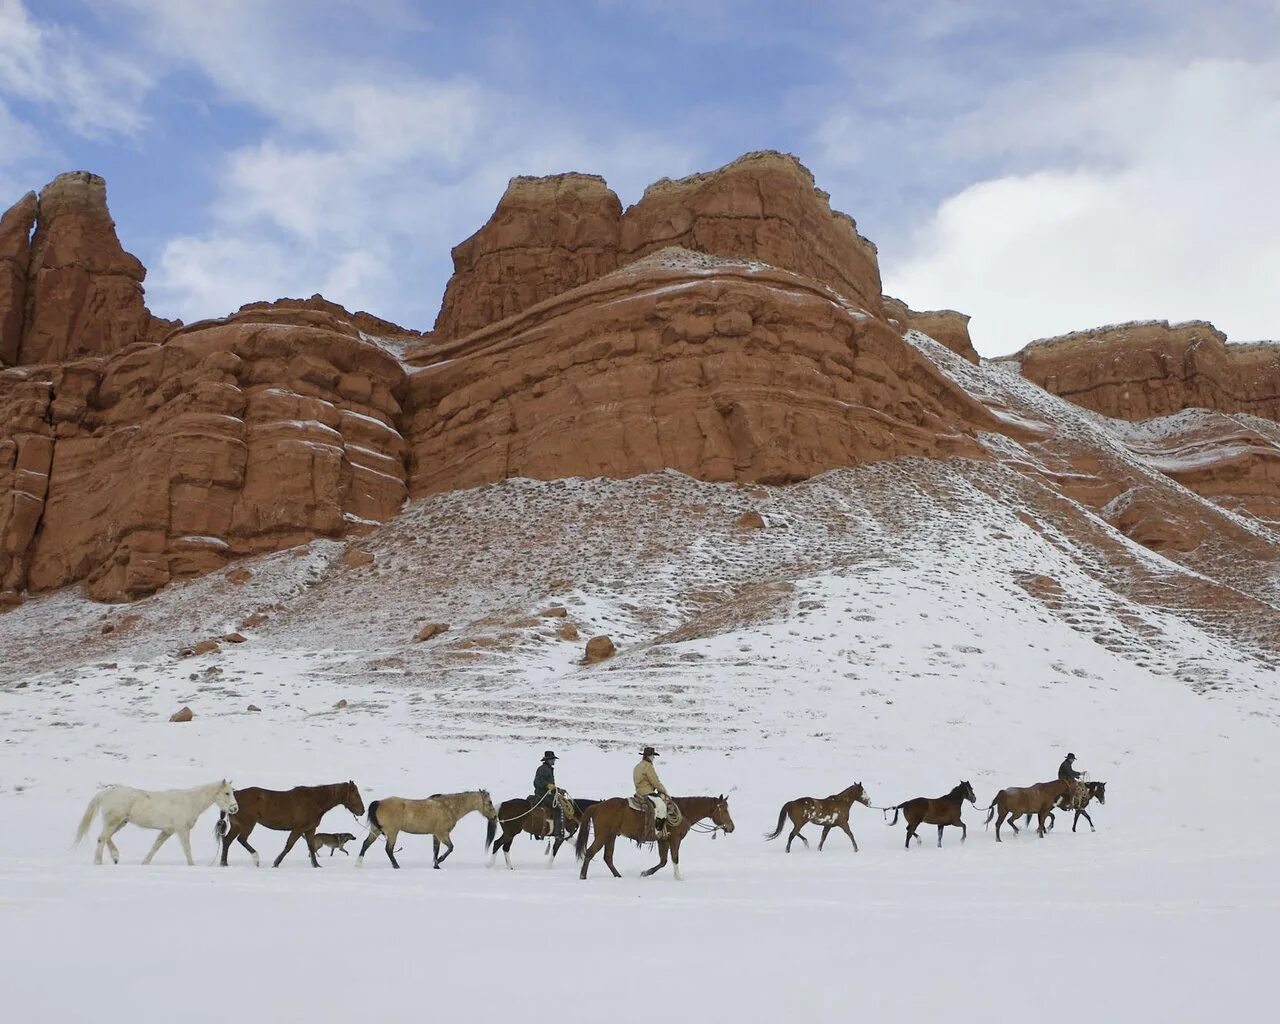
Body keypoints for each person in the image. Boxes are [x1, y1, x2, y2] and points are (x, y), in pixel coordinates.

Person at [633, 746, 670, 838]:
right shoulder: (648, 766)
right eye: (653, 756)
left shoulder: (637, 766)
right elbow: (655, 782)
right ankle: (657, 831)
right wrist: (664, 792)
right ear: (649, 756)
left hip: (639, 792)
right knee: (662, 807)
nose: (653, 758)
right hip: (647, 793)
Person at [532, 750, 563, 838]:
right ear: (548, 760)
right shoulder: (543, 769)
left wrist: (558, 790)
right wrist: (547, 785)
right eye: (553, 759)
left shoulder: (548, 769)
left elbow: (550, 785)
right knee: (558, 808)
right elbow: (537, 782)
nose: (554, 761)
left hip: (548, 794)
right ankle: (557, 832)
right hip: (542, 795)